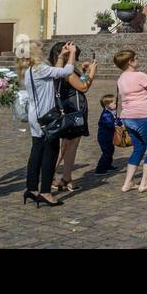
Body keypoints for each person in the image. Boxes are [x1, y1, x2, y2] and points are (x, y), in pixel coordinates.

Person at [17, 39, 94, 209]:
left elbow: (57, 71)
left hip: (35, 115)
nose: (43, 51)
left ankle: (31, 188)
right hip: (46, 116)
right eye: (40, 49)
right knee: (51, 152)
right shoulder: (40, 68)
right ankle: (45, 191)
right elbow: (66, 71)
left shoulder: (30, 69)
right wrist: (72, 54)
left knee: (36, 150)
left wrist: (60, 56)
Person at [115, 49, 147, 193]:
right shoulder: (140, 75)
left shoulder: (121, 78)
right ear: (130, 62)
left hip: (127, 116)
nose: (137, 59)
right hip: (143, 115)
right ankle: (144, 183)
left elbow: (141, 89)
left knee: (138, 148)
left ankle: (127, 183)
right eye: (135, 58)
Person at [53, 42, 93, 192]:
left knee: (67, 145)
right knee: (70, 145)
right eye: (74, 54)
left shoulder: (68, 69)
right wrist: (92, 73)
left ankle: (60, 176)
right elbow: (83, 86)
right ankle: (64, 177)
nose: (75, 57)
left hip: (74, 108)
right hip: (73, 109)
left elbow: (81, 81)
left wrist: (83, 71)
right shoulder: (66, 70)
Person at [94, 94, 119, 174]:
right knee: (106, 152)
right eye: (114, 103)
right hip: (104, 137)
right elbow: (110, 124)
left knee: (111, 151)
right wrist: (118, 123)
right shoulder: (106, 114)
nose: (116, 104)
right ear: (107, 105)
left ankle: (108, 165)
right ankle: (100, 169)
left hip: (109, 136)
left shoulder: (111, 112)